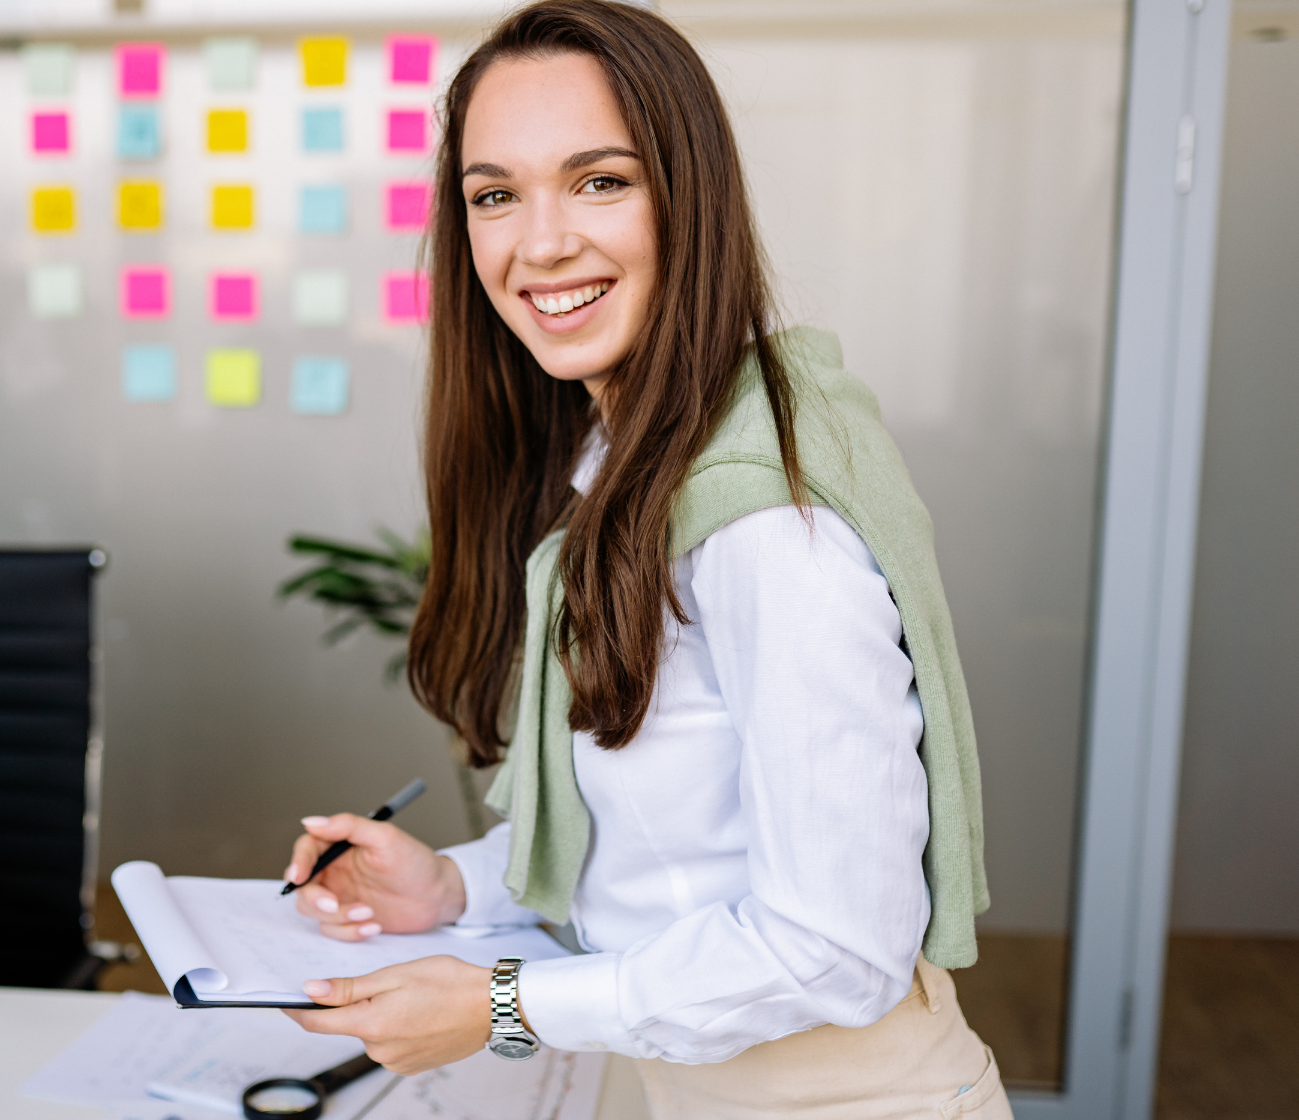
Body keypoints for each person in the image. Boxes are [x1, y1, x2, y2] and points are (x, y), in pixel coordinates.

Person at [280, 3, 1012, 1116]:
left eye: (600, 180)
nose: (541, 242)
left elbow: (838, 945)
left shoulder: (768, 521)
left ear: (690, 195)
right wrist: (446, 884)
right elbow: (660, 859)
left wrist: (508, 1002)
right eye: (494, 195)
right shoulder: (616, 467)